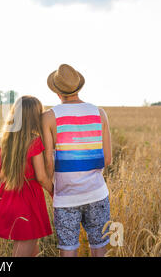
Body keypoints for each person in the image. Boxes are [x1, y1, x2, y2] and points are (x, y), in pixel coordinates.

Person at [42, 64, 112, 257]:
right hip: (97, 193)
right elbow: (107, 158)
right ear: (79, 87)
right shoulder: (100, 113)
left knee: (68, 249)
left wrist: (53, 188)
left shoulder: (48, 117)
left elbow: (48, 159)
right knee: (99, 247)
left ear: (57, 92)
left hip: (65, 195)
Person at [0, 95, 53, 257]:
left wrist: (1, 201)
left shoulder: (1, 141)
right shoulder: (34, 141)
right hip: (29, 200)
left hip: (7, 197)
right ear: (35, 118)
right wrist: (54, 192)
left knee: (31, 247)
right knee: (25, 245)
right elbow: (42, 177)